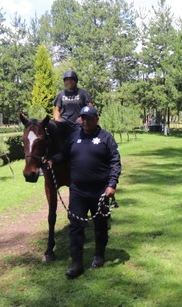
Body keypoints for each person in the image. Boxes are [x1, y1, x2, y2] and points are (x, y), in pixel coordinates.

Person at [49, 105, 121, 278]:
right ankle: (76, 263)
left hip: (100, 191)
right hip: (78, 192)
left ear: (97, 119)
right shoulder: (74, 138)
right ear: (80, 119)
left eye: (90, 118)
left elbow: (115, 162)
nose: (86, 121)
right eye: (83, 118)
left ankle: (99, 255)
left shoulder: (106, 138)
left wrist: (112, 185)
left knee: (100, 226)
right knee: (75, 227)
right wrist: (52, 160)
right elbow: (63, 155)